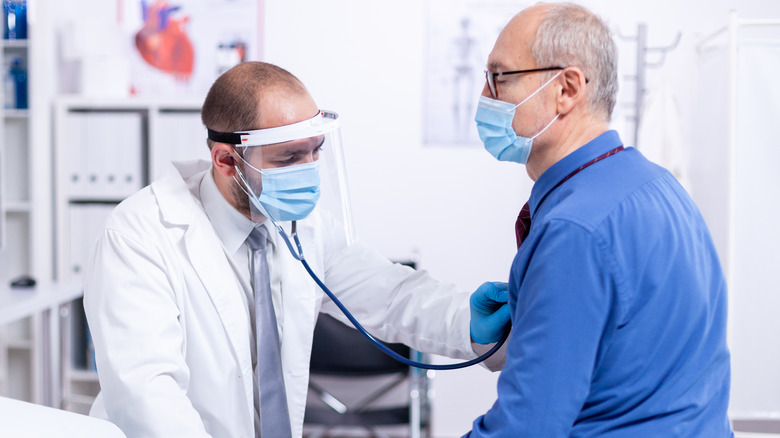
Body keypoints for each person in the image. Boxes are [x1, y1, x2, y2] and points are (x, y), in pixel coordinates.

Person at [84, 61, 510, 438]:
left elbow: (389, 295)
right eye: (287, 159)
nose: (307, 171)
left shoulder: (304, 227)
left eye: (314, 153)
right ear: (226, 160)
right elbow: (147, 395)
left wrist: (466, 322)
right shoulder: (140, 234)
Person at [467, 2, 732, 437]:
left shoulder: (574, 229)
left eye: (500, 77)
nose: (484, 98)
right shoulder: (658, 186)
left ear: (567, 88)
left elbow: (526, 427)